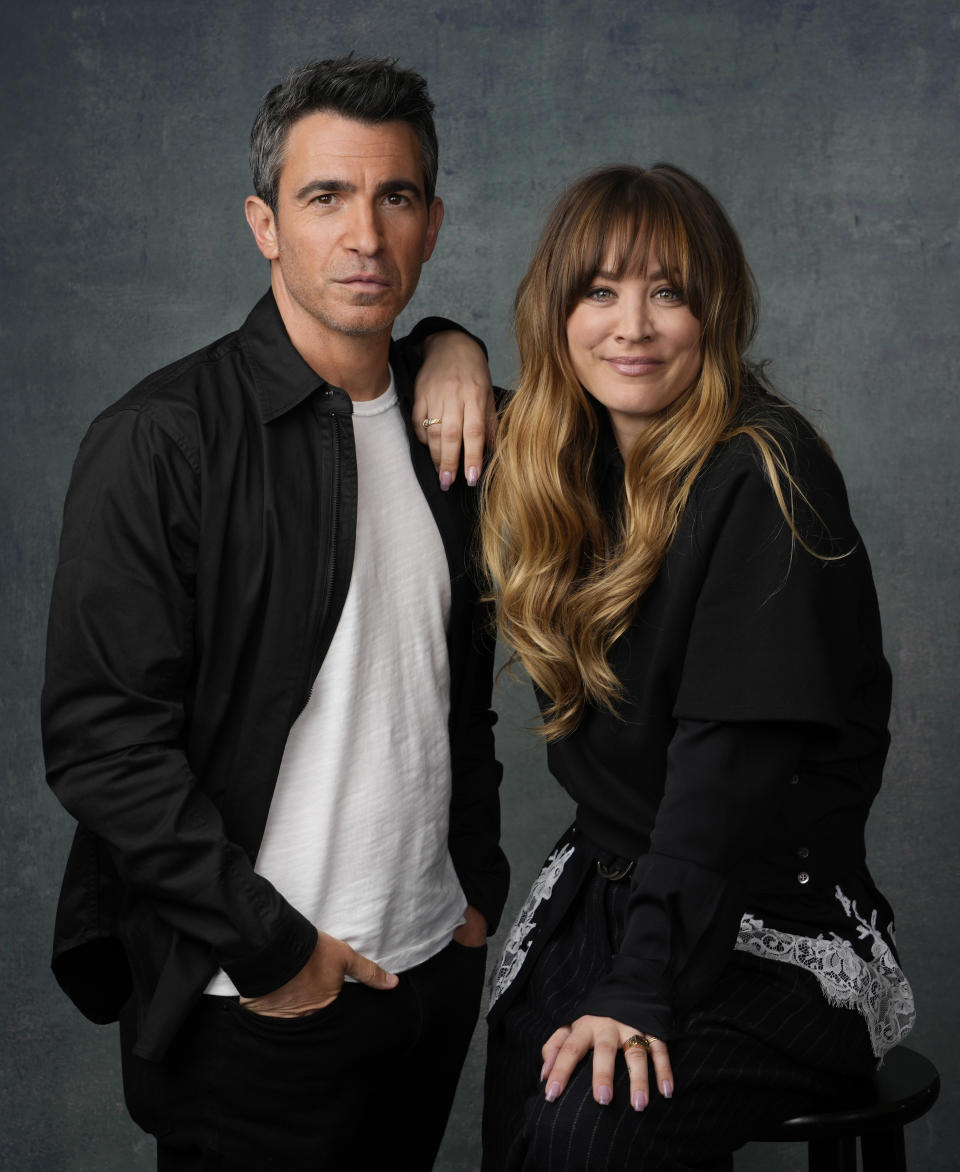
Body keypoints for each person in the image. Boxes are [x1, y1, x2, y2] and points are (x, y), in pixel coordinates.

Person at [41, 54, 508, 1171]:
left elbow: (456, 690)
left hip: (427, 969)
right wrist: (270, 948)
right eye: (324, 197)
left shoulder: (465, 434)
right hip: (251, 997)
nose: (364, 235)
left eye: (394, 197)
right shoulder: (161, 438)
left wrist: (472, 888)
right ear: (264, 223)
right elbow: (103, 745)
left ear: (433, 223)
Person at [478, 164, 916, 1171]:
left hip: (770, 925)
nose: (632, 324)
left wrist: (640, 990)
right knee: (523, 1093)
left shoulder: (766, 472)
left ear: (714, 311)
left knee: (588, 1126)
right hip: (605, 893)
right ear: (560, 310)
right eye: (600, 290)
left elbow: (722, 782)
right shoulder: (563, 461)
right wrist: (446, 351)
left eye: (667, 291)